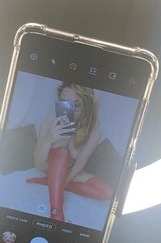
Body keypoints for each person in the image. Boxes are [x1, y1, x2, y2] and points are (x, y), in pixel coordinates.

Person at [27, 82, 112, 222]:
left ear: (87, 106)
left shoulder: (93, 129)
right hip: (49, 168)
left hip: (72, 171)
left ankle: (50, 182)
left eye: (76, 105)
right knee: (62, 153)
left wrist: (64, 182)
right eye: (65, 104)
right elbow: (38, 164)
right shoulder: (50, 123)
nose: (70, 110)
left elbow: (80, 163)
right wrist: (50, 138)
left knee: (107, 192)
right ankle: (56, 212)